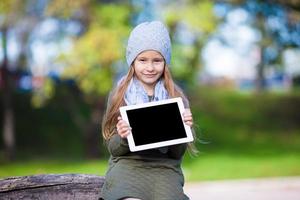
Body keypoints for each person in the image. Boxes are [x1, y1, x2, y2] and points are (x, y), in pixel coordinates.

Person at [100, 21, 196, 200]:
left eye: (157, 61)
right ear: (132, 61)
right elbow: (114, 150)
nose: (150, 68)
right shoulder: (119, 95)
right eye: (142, 60)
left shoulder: (176, 96)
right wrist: (122, 137)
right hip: (128, 166)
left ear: (165, 62)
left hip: (164, 168)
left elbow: (176, 153)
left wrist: (184, 129)